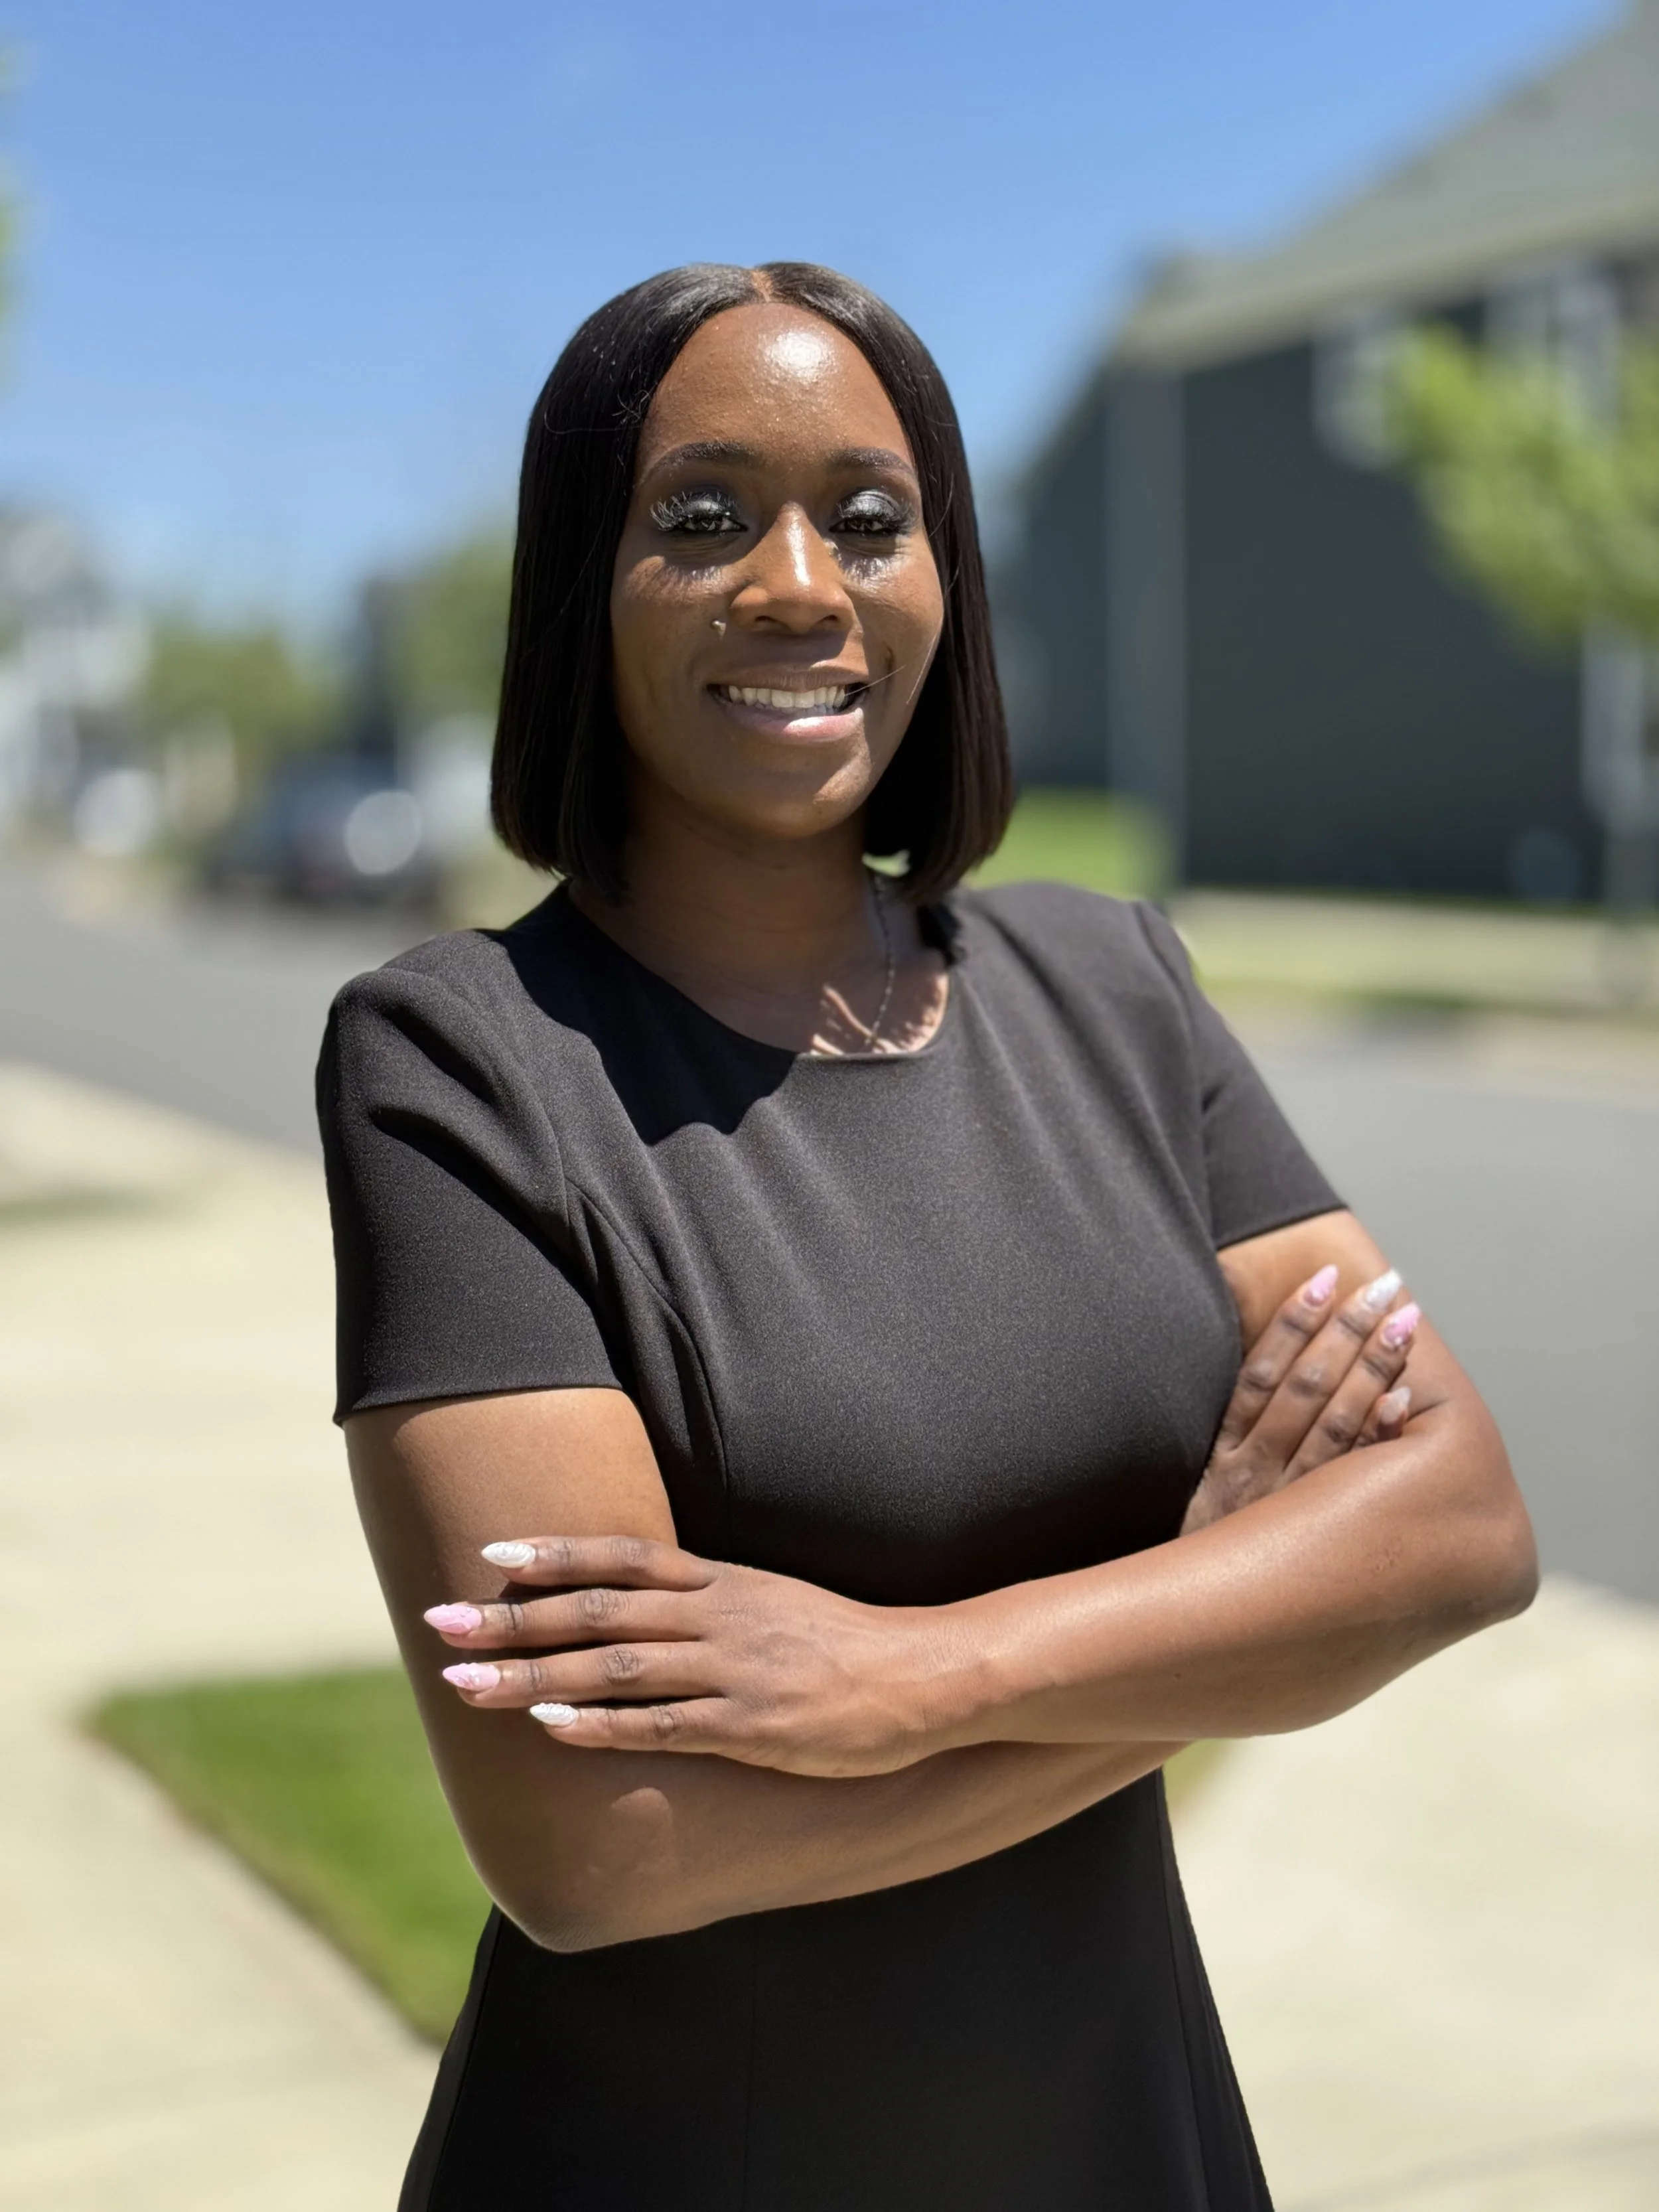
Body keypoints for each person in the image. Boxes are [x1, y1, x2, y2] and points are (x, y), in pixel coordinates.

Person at [317, 262, 1536, 2212]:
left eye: (869, 517)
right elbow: (599, 1844)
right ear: (582, 586)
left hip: (1128, 2136)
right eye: (699, 516)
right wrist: (1217, 1610)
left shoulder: (1112, 983)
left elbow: (1460, 1529)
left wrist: (909, 1678)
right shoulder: (462, 1064)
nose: (799, 579)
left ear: (942, 579)